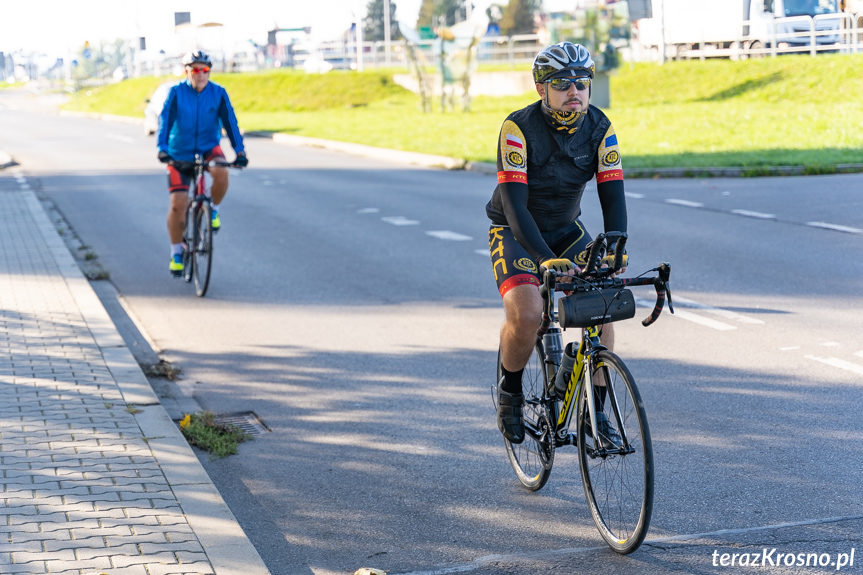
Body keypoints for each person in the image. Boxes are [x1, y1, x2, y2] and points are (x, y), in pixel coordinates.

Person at [486, 42, 628, 444]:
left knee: (604, 305)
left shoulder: (601, 128)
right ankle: (510, 393)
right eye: (562, 82)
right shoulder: (518, 129)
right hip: (516, 232)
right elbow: (514, 206)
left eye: (582, 82)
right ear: (540, 88)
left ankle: (595, 414)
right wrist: (543, 259)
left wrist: (616, 248)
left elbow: (613, 196)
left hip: (567, 230)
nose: (574, 90)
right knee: (529, 315)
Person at [157, 50, 248, 277]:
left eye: (204, 70)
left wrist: (240, 151)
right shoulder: (176, 93)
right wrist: (162, 149)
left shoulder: (218, 93)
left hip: (208, 146)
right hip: (179, 152)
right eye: (195, 69)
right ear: (186, 71)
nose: (200, 74)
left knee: (222, 171)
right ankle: (177, 252)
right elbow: (165, 121)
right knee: (178, 203)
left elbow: (231, 123)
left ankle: (213, 210)